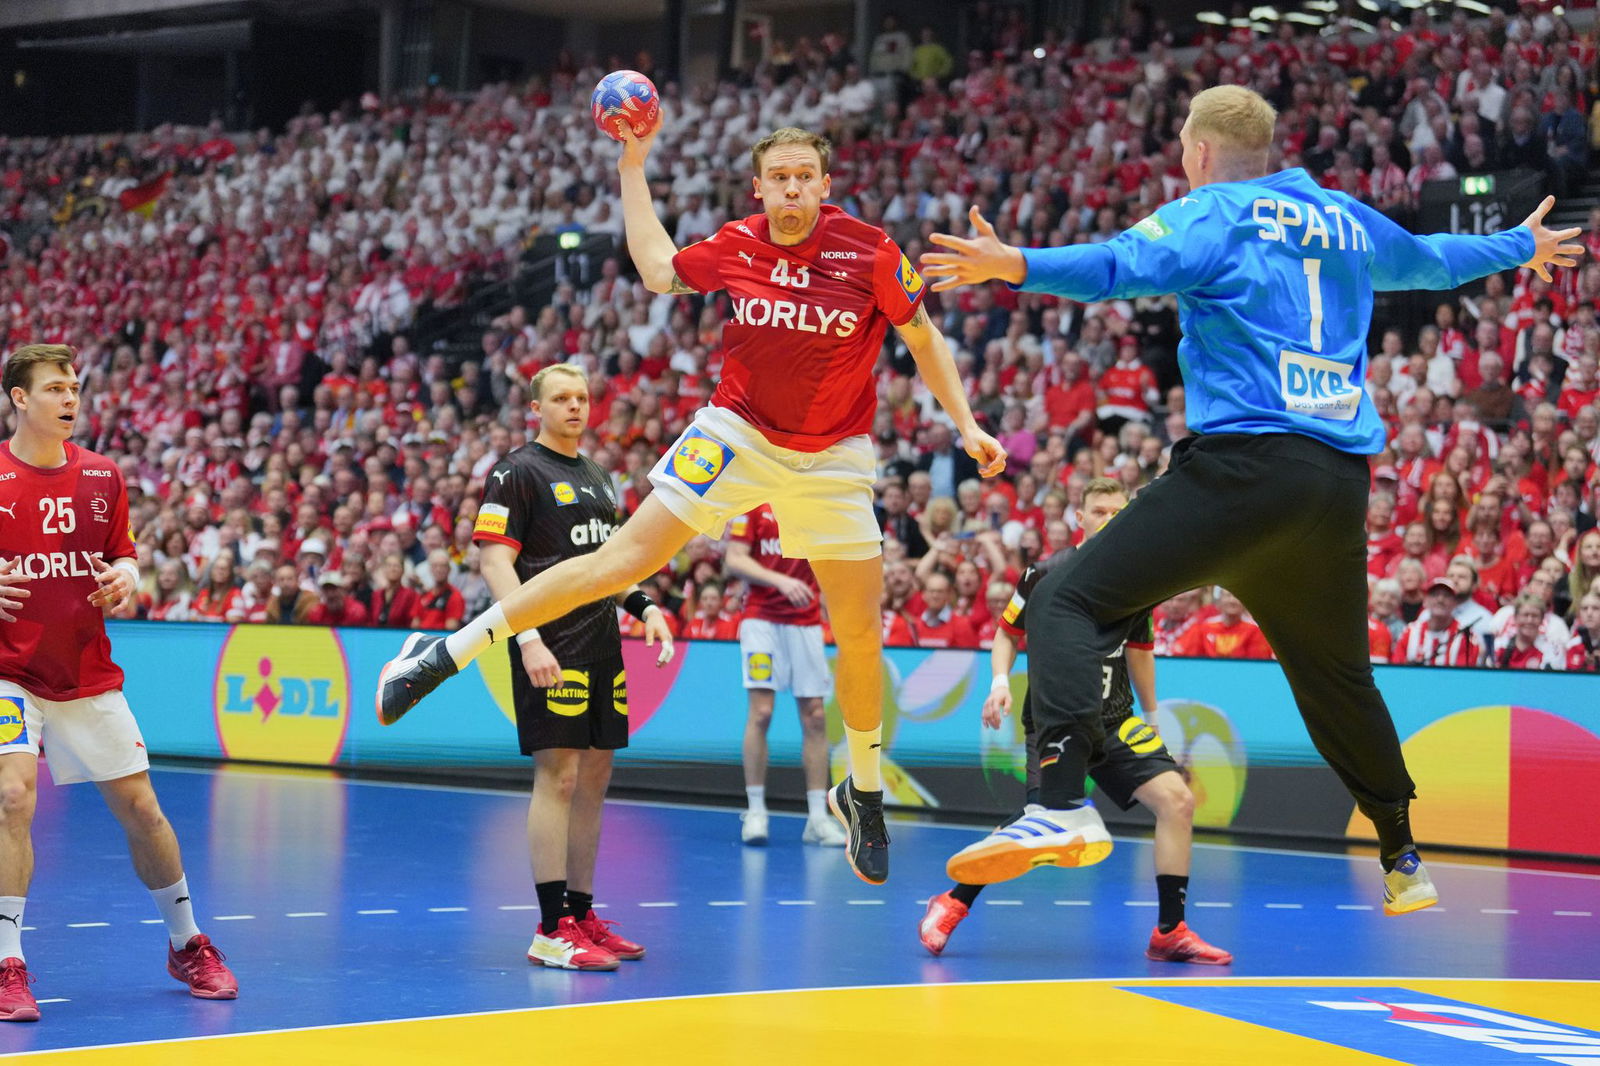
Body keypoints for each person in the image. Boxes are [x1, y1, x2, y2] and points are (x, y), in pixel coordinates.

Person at [923, 85, 1580, 912]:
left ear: (1198, 154)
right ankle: (1401, 851)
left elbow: (1120, 267)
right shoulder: (1341, 215)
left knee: (1062, 597)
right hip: (1334, 489)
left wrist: (1017, 265)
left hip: (1241, 474)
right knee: (1337, 677)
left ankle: (1057, 808)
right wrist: (1520, 244)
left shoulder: (1214, 214)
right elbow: (1431, 260)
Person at [377, 123, 1006, 886]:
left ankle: (864, 790)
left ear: (825, 186)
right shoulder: (738, 244)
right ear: (760, 187)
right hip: (735, 433)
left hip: (833, 454)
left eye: (806, 177)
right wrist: (632, 165)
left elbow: (924, 337)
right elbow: (653, 267)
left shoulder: (871, 251)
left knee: (859, 633)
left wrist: (966, 425)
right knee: (620, 563)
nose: (793, 190)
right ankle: (443, 653)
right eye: (779, 178)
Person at [0, 345, 238, 1022]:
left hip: (86, 673)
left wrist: (129, 578)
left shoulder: (103, 475)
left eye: (74, 387)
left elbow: (123, 552)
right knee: (13, 795)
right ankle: (7, 960)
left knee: (144, 812)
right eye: (54, 388)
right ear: (20, 399)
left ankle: (186, 941)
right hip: (8, 673)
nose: (70, 399)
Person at [919, 479, 1230, 965]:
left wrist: (1152, 716)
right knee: (1040, 826)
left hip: (1114, 718)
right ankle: (953, 902)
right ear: (1080, 518)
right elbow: (1005, 635)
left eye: (1116, 512)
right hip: (1056, 719)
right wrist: (999, 682)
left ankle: (1170, 931)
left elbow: (1141, 655)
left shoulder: (1137, 581)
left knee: (1178, 801)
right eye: (1098, 511)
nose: (1108, 519)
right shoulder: (1043, 574)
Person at [450, 363, 673, 971]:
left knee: (595, 779)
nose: (575, 406)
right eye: (561, 398)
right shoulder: (516, 471)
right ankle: (550, 929)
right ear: (537, 407)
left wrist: (645, 606)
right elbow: (497, 564)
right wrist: (527, 640)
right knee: (559, 780)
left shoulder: (600, 477)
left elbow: (611, 564)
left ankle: (581, 914)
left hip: (602, 645)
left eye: (582, 397)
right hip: (549, 647)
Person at [724, 504, 843, 847]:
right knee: (761, 713)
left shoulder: (817, 502)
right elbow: (735, 558)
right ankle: (757, 810)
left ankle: (818, 819)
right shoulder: (756, 505)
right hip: (761, 620)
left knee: (816, 717)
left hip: (805, 622)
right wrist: (780, 580)